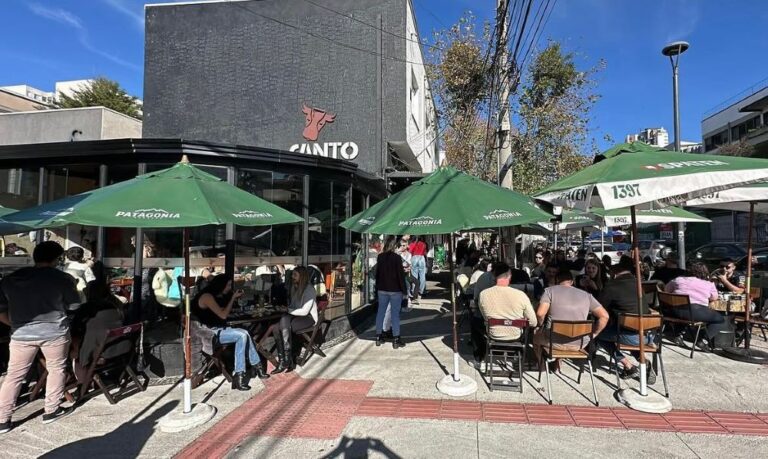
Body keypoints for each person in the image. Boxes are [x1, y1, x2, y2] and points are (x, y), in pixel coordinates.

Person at [0, 241, 81, 433]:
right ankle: (51, 411)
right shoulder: (63, 278)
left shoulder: (11, 279)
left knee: (14, 376)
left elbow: (1, 311)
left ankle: (3, 419)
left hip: (21, 333)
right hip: (54, 332)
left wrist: (15, 324)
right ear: (57, 258)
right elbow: (74, 307)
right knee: (56, 369)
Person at [192, 275, 269, 390]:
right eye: (228, 285)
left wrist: (232, 298)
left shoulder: (214, 295)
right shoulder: (207, 297)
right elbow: (223, 315)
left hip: (218, 329)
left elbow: (220, 313)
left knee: (245, 333)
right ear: (220, 285)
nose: (229, 287)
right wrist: (232, 298)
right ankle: (244, 373)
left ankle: (252, 370)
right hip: (208, 333)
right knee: (242, 335)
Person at [597, 256, 656, 381]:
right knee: (629, 331)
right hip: (648, 336)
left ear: (615, 273)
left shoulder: (612, 286)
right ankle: (643, 361)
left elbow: (599, 307)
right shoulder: (638, 284)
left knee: (598, 333)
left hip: (629, 335)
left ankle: (628, 365)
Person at [534, 268, 609, 365]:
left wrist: (539, 326)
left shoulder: (549, 291)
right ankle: (558, 363)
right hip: (579, 343)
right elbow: (605, 316)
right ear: (572, 282)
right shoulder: (587, 295)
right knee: (567, 331)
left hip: (553, 342)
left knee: (535, 337)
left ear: (557, 280)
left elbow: (540, 313)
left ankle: (542, 365)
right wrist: (594, 334)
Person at [70, 261, 127, 383]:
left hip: (100, 350)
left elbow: (73, 329)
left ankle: (81, 383)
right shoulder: (115, 306)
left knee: (70, 346)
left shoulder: (88, 308)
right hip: (120, 347)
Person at [665, 261, 725, 352]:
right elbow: (714, 297)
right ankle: (701, 339)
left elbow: (666, 290)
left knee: (685, 312)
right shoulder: (708, 284)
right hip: (695, 312)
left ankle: (678, 334)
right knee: (720, 320)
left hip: (674, 311)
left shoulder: (678, 280)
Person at [272, 266, 319, 373]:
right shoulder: (294, 288)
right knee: (275, 327)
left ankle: (286, 360)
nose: (292, 277)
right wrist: (285, 308)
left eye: (295, 275)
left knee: (284, 323)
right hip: (296, 316)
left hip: (308, 318)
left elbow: (304, 311)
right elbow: (293, 306)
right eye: (292, 274)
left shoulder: (309, 289)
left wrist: (288, 310)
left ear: (301, 276)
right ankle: (283, 360)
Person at [478, 262, 537, 345]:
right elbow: (533, 322)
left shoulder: (484, 294)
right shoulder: (520, 295)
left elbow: (485, 316)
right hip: (515, 335)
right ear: (509, 276)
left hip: (494, 334)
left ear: (494, 276)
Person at [375, 237, 407, 349]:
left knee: (380, 312)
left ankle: (379, 336)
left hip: (382, 289)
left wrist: (376, 288)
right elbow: (400, 276)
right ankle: (396, 339)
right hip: (395, 290)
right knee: (395, 314)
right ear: (394, 246)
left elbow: (377, 274)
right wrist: (404, 291)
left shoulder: (380, 257)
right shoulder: (397, 258)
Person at [409, 236, 428, 300]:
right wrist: (427, 261)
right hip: (421, 258)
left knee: (414, 276)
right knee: (422, 276)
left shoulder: (412, 244)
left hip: (414, 258)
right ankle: (421, 291)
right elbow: (425, 253)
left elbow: (410, 252)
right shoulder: (423, 244)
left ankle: (414, 291)